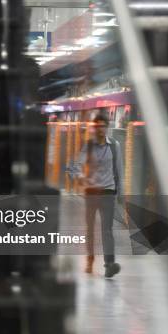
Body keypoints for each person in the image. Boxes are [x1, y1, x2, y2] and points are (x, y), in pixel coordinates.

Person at [71, 114, 123, 278]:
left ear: (107, 127)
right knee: (90, 229)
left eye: (103, 125)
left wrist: (120, 193)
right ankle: (89, 260)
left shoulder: (115, 145)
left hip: (108, 191)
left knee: (107, 230)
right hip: (92, 192)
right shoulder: (88, 146)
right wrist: (79, 176)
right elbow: (76, 165)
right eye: (97, 126)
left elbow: (119, 170)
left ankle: (109, 264)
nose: (100, 129)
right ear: (94, 128)